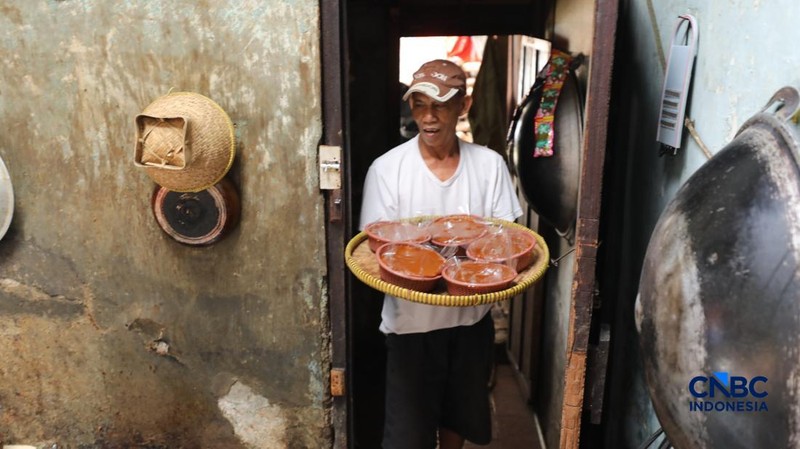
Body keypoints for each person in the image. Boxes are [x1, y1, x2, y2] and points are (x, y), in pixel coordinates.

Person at [359, 59, 523, 449]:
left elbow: (506, 239)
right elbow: (378, 249)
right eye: (419, 104)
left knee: (459, 419)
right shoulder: (387, 170)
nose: (428, 117)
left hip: (470, 322)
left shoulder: (489, 166)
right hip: (411, 325)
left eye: (440, 104)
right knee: (409, 435)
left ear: (463, 105)